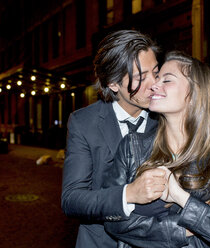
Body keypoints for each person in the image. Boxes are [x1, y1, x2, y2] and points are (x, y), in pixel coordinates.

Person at [103, 50, 210, 247]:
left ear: (194, 94)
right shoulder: (132, 146)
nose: (153, 85)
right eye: (157, 78)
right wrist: (186, 228)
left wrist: (183, 199)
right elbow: (111, 219)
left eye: (167, 80)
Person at [61, 30, 169, 248]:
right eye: (141, 77)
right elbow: (72, 199)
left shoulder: (169, 116)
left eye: (155, 73)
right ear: (113, 83)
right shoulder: (84, 122)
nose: (154, 84)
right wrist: (129, 194)